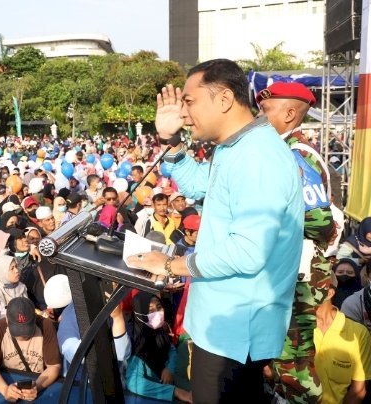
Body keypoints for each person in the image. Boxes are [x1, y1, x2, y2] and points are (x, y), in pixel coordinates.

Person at [128, 59, 304, 401]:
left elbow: (248, 252)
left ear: (224, 99)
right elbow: (198, 186)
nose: (183, 113)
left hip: (235, 334)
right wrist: (172, 141)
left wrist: (169, 265)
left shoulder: (257, 157)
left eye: (189, 102)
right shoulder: (235, 147)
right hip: (224, 326)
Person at [256, 81, 337, 402]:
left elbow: (319, 221)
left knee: (294, 367)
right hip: (289, 275)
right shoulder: (283, 151)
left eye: (266, 110)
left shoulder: (296, 155)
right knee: (281, 361)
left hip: (299, 279)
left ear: (289, 113)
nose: (259, 116)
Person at [0, 297, 61, 402]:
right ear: (7, 319)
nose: (22, 336)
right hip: (8, 380)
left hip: (38, 381)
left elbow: (54, 365)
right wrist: (4, 389)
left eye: (27, 329)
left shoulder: (45, 326)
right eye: (17, 330)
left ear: (35, 318)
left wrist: (37, 386)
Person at [124, 292, 191, 403]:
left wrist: (169, 368)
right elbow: (133, 382)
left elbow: (171, 350)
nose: (157, 313)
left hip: (173, 380)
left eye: (159, 307)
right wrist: (175, 392)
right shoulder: (138, 346)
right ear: (140, 314)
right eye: (150, 310)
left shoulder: (160, 333)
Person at [314, 274, 371, 403]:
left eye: (308, 288)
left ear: (329, 292)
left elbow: (358, 390)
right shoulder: (288, 328)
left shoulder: (358, 333)